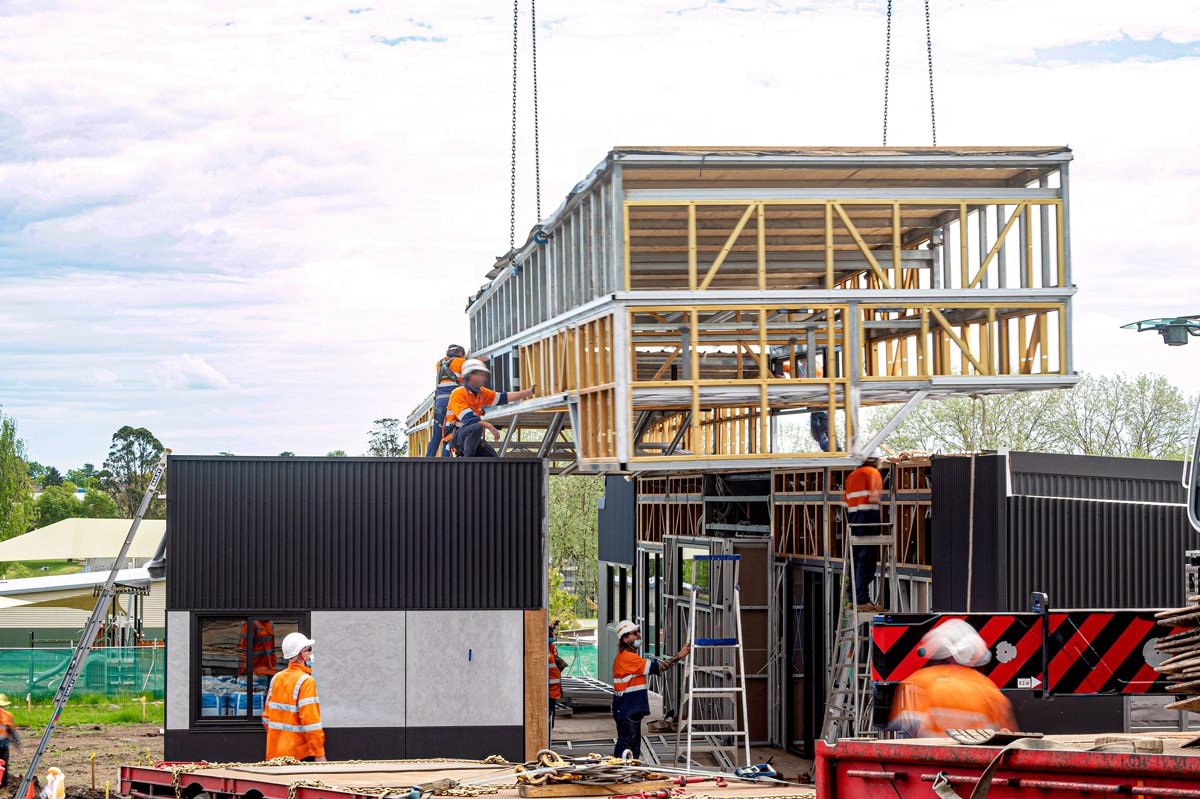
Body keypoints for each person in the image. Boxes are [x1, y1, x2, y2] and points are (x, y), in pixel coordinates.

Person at [889, 619, 1016, 738]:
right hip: (977, 761)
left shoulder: (918, 683)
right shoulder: (989, 690)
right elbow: (1005, 736)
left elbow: (905, 733)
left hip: (928, 759)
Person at [610, 620, 690, 760]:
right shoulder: (628, 659)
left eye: (638, 632)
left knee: (628, 746)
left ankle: (624, 774)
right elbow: (659, 666)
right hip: (628, 709)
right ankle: (623, 774)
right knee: (628, 748)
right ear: (625, 638)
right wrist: (679, 655)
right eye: (634, 633)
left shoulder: (628, 657)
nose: (638, 635)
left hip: (627, 709)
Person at [444, 359, 535, 457]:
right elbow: (469, 419)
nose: (484, 378)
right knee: (476, 427)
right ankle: (467, 464)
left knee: (492, 458)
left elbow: (504, 397)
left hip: (471, 438)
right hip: (455, 440)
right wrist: (490, 426)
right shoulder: (458, 393)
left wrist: (528, 392)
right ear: (470, 375)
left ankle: (473, 465)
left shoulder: (482, 393)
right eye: (481, 374)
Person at [263, 632, 326, 762]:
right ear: (303, 655)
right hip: (299, 755)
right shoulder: (306, 681)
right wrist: (319, 754)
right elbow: (311, 723)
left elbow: (266, 718)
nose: (311, 653)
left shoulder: (276, 678)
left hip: (275, 754)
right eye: (310, 650)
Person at [845, 455, 886, 611]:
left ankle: (853, 597)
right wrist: (878, 526)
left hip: (854, 522)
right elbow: (874, 499)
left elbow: (846, 501)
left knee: (855, 562)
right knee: (866, 563)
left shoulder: (852, 475)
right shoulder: (872, 473)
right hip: (868, 523)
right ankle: (862, 600)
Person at [426, 345, 468, 457]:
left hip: (439, 403)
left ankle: (427, 461)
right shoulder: (461, 362)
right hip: (453, 403)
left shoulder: (439, 364)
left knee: (436, 436)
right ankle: (445, 462)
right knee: (450, 434)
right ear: (460, 353)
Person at [548, 626, 567, 736]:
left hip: (552, 691)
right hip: (550, 691)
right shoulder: (548, 648)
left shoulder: (550, 648)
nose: (552, 634)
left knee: (550, 717)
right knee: (549, 717)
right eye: (551, 632)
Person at [0, 693, 18, 789]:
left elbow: (11, 731)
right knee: (4, 768)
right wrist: (16, 743)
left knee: (4, 768)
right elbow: (12, 732)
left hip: (4, 746)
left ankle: (3, 788)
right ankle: (3, 788)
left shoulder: (7, 716)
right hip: (4, 746)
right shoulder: (8, 715)